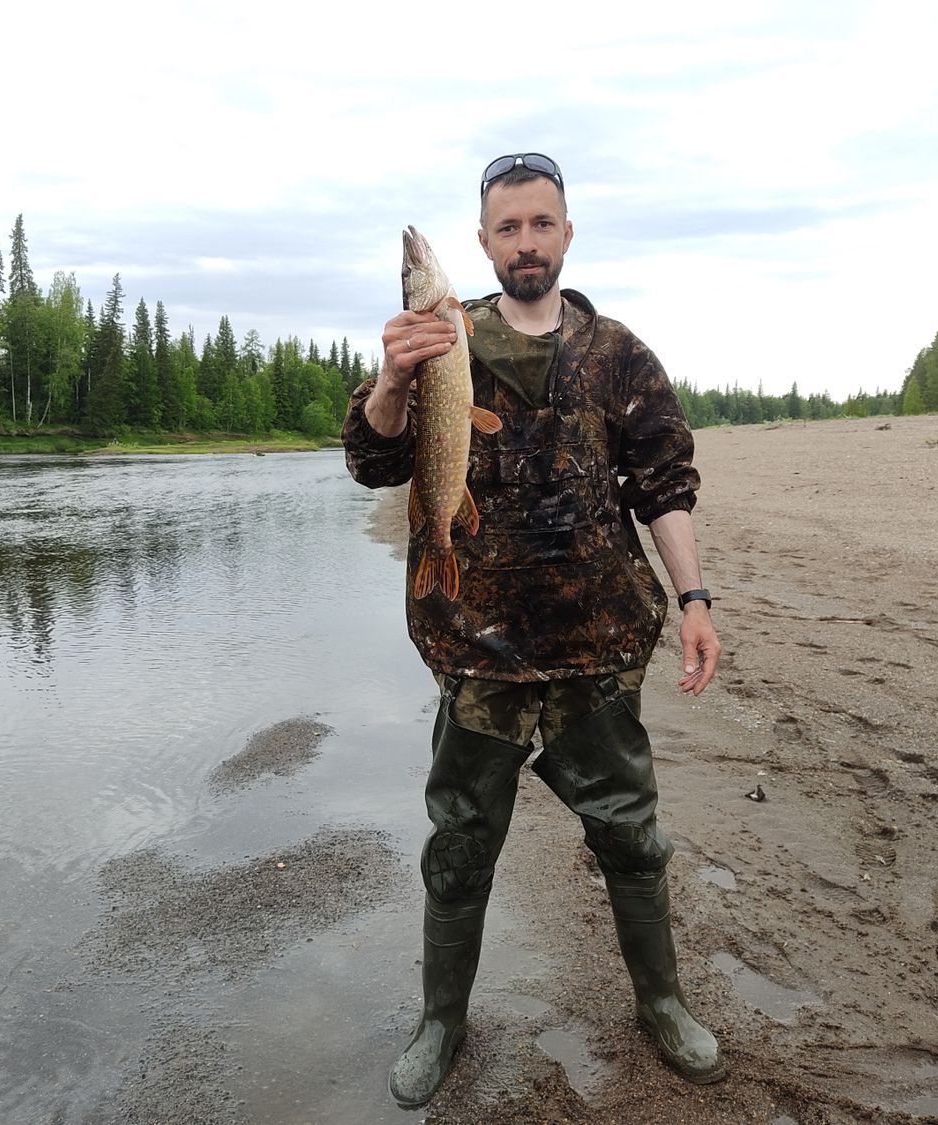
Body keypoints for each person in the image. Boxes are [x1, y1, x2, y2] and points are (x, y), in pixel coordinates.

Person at [342, 152, 727, 1108]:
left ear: (566, 231)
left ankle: (663, 1002)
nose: (525, 243)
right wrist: (392, 381)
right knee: (462, 843)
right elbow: (369, 456)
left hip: (596, 648)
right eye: (507, 228)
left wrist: (694, 601)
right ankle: (442, 1022)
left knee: (630, 836)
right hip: (475, 648)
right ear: (482, 242)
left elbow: (665, 487)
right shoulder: (440, 341)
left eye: (540, 225)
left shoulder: (620, 354)